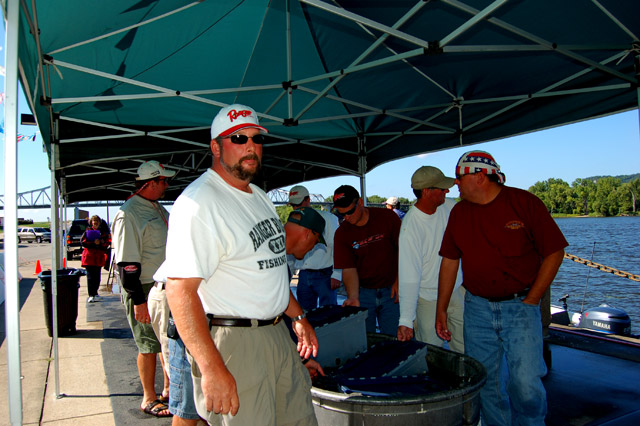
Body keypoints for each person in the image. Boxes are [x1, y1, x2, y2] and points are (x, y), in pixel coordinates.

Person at [163, 104, 319, 426]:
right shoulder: (199, 203)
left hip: (277, 333)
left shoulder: (259, 197)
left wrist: (298, 317)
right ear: (216, 147)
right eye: (238, 138)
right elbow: (179, 291)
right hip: (235, 341)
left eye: (256, 138)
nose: (250, 146)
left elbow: (268, 272)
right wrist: (211, 367)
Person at [436, 150, 568, 426]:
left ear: (480, 177)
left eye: (459, 177)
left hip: (520, 308)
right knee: (484, 382)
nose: (455, 183)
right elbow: (449, 261)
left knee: (525, 383)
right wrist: (442, 309)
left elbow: (555, 252)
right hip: (477, 308)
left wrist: (533, 299)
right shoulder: (459, 212)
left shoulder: (525, 203)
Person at [112, 160, 175, 418]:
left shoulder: (157, 207)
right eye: (164, 181)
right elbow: (126, 264)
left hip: (165, 285)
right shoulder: (129, 213)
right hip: (144, 287)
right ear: (151, 182)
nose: (167, 185)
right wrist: (138, 300)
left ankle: (169, 389)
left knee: (165, 339)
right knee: (148, 343)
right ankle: (148, 397)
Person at [397, 167, 465, 353]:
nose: (447, 191)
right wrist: (406, 320)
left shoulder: (450, 206)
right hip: (428, 299)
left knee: (465, 348)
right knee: (431, 352)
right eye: (442, 188)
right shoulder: (410, 228)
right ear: (426, 192)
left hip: (456, 291)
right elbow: (409, 278)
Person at [333, 185, 401, 335]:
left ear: (360, 202)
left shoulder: (388, 217)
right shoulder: (341, 234)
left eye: (350, 211)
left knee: (395, 337)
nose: (346, 217)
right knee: (364, 338)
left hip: (392, 290)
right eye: (341, 214)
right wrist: (353, 297)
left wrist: (399, 280)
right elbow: (348, 268)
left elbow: (403, 251)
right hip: (363, 292)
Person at [288, 185, 342, 311]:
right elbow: (290, 252)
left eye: (299, 204)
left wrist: (337, 274)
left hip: (325, 275)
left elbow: (338, 247)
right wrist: (289, 276)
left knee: (329, 314)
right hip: (303, 275)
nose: (296, 208)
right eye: (293, 205)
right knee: (305, 315)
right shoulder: (293, 222)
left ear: (308, 200)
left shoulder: (328, 218)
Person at [81, 215, 110, 303]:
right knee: (90, 277)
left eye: (97, 221)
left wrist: (101, 242)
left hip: (98, 258)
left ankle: (95, 293)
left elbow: (107, 243)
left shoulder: (103, 232)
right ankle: (91, 295)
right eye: (94, 221)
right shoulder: (87, 231)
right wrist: (94, 243)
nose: (95, 222)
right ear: (91, 222)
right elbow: (83, 242)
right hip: (89, 258)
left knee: (97, 277)